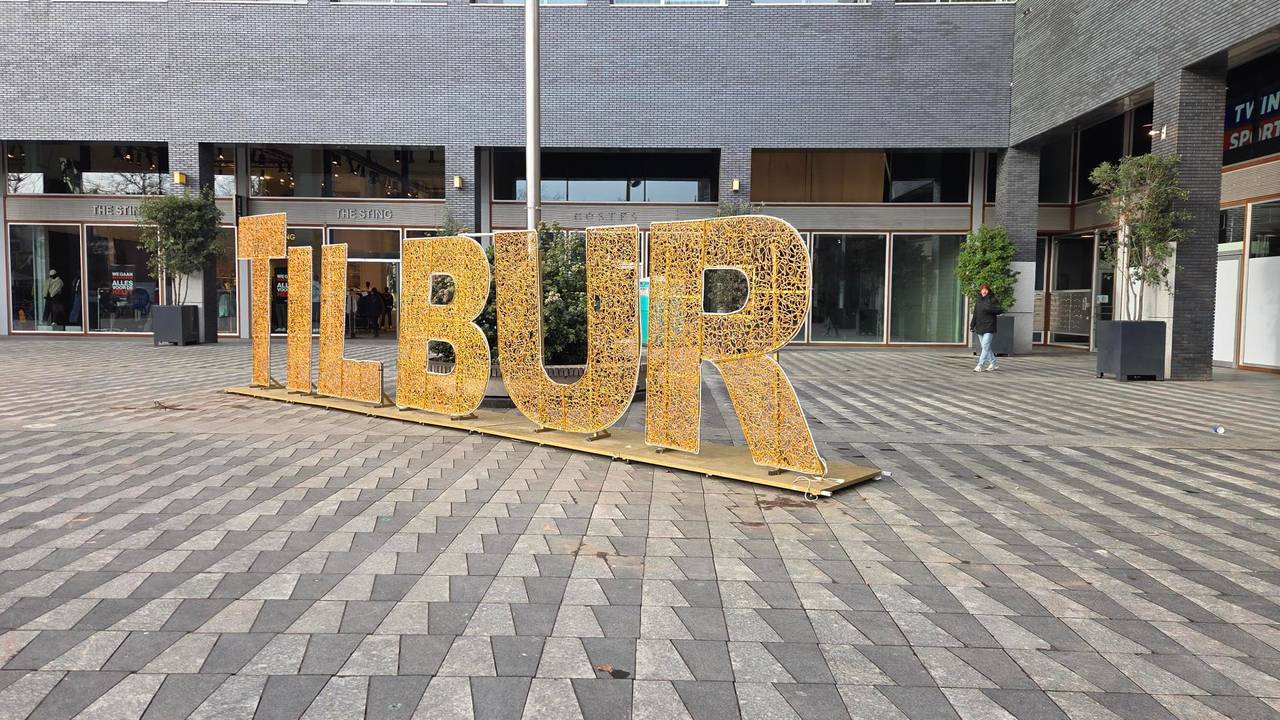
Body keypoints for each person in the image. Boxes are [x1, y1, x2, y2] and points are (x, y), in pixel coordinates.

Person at [970, 283, 1004, 372]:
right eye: (982, 289)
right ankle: (994, 363)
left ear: (988, 291)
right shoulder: (978, 300)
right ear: (980, 291)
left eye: (986, 289)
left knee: (985, 346)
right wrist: (972, 325)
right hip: (979, 326)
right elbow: (975, 314)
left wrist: (989, 309)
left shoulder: (993, 299)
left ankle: (979, 365)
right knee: (985, 347)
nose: (984, 291)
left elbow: (1000, 310)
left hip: (989, 326)